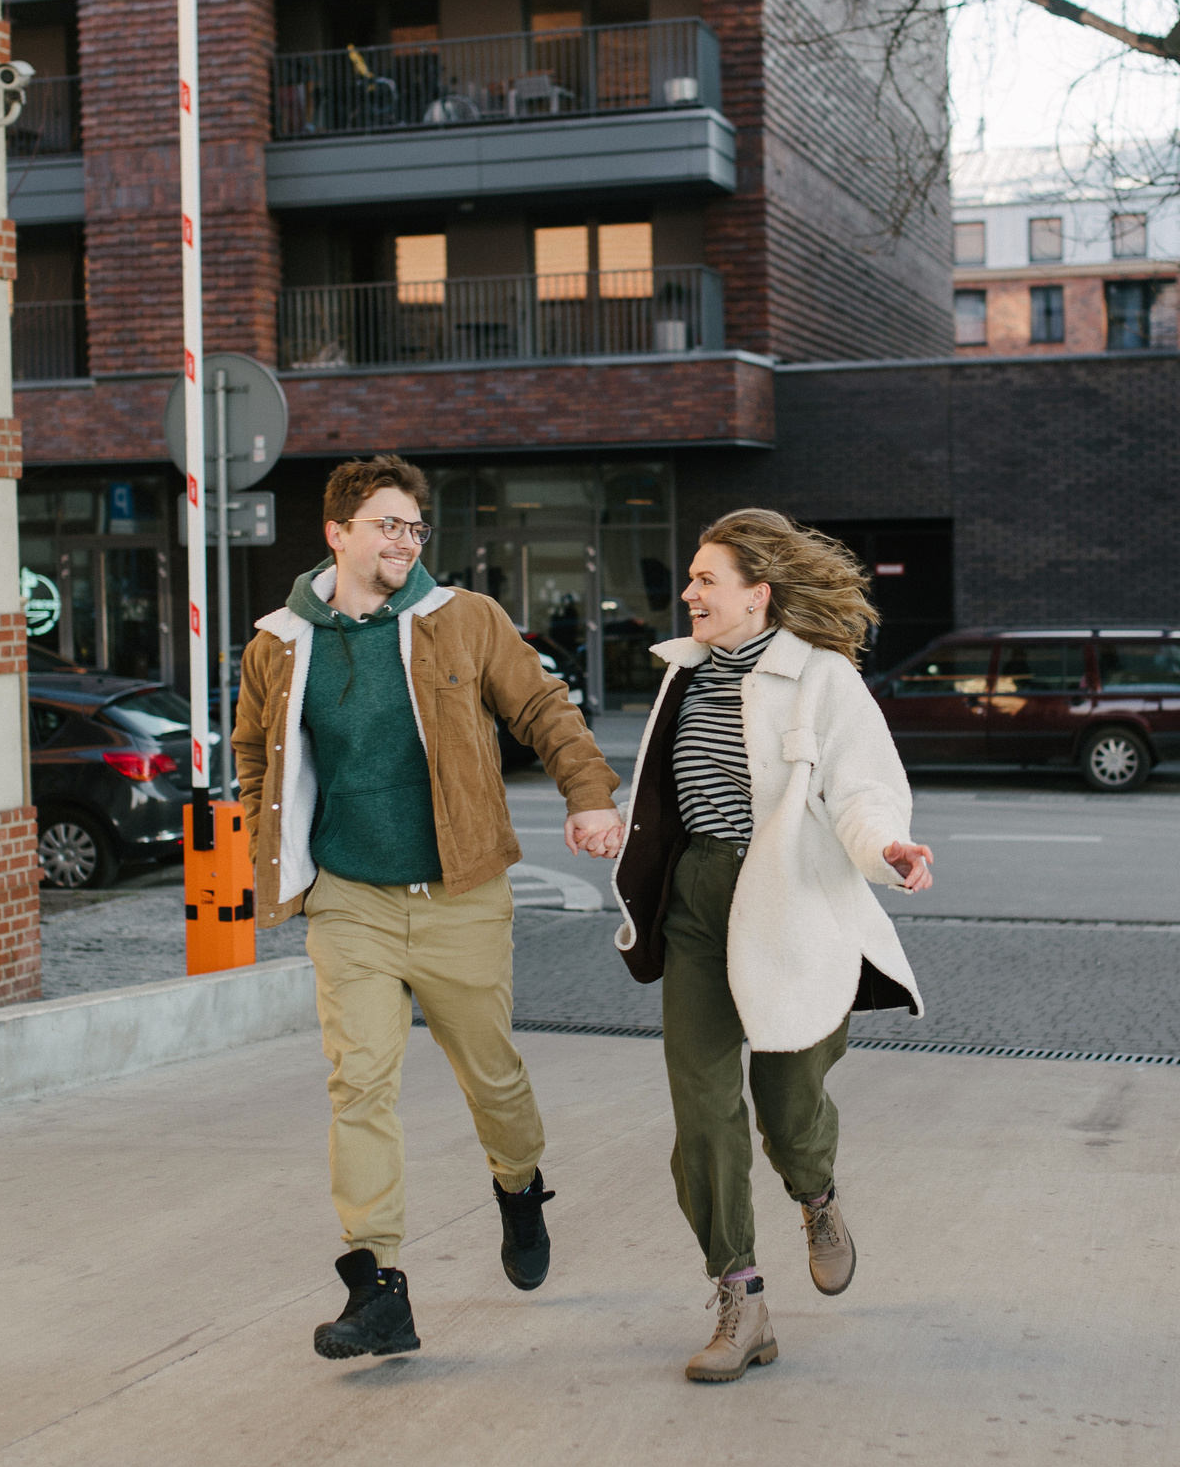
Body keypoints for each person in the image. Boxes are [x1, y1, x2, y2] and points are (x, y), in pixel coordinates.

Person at [231, 455, 627, 1362]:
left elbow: (544, 708)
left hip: (461, 894)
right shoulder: (277, 643)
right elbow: (256, 752)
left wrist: (588, 794)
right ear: (337, 533)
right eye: (387, 524)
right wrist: (268, 838)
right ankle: (377, 1284)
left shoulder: (464, 619)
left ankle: (519, 1186)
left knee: (492, 1075)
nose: (406, 541)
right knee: (358, 1083)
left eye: (414, 527)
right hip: (350, 900)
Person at [610, 509, 934, 1383]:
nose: (689, 592)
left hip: (790, 902)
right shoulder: (683, 674)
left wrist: (887, 848)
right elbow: (667, 796)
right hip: (697, 906)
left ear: (758, 594)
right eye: (691, 578)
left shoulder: (823, 678)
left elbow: (862, 790)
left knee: (787, 1107)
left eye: (705, 579)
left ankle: (815, 1193)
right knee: (702, 1107)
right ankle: (741, 1296)